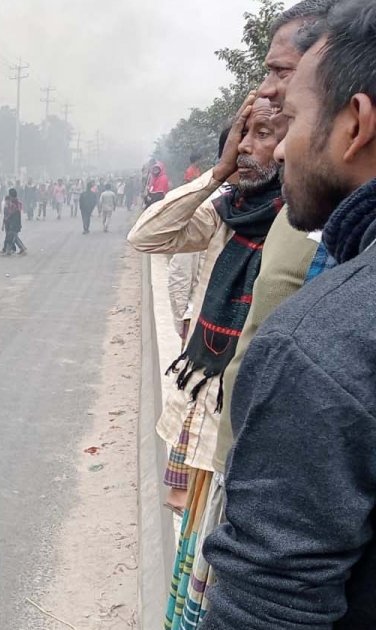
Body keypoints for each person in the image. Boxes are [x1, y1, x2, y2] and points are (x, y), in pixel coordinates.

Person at [202, 3, 376, 626]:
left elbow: (269, 604)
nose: (274, 152)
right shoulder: (257, 211)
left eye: (294, 116)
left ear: (354, 125)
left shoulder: (319, 344)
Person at [128, 96, 285, 517]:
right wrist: (217, 175)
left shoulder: (303, 226)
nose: (245, 147)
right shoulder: (226, 211)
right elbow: (146, 236)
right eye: (241, 134)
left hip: (249, 423)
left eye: (263, 134)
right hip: (203, 404)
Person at [2, 188, 25, 255]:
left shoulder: (15, 204)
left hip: (14, 223)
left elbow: (12, 213)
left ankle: (8, 250)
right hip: (12, 223)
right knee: (13, 236)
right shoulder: (16, 203)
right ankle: (21, 248)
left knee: (11, 236)